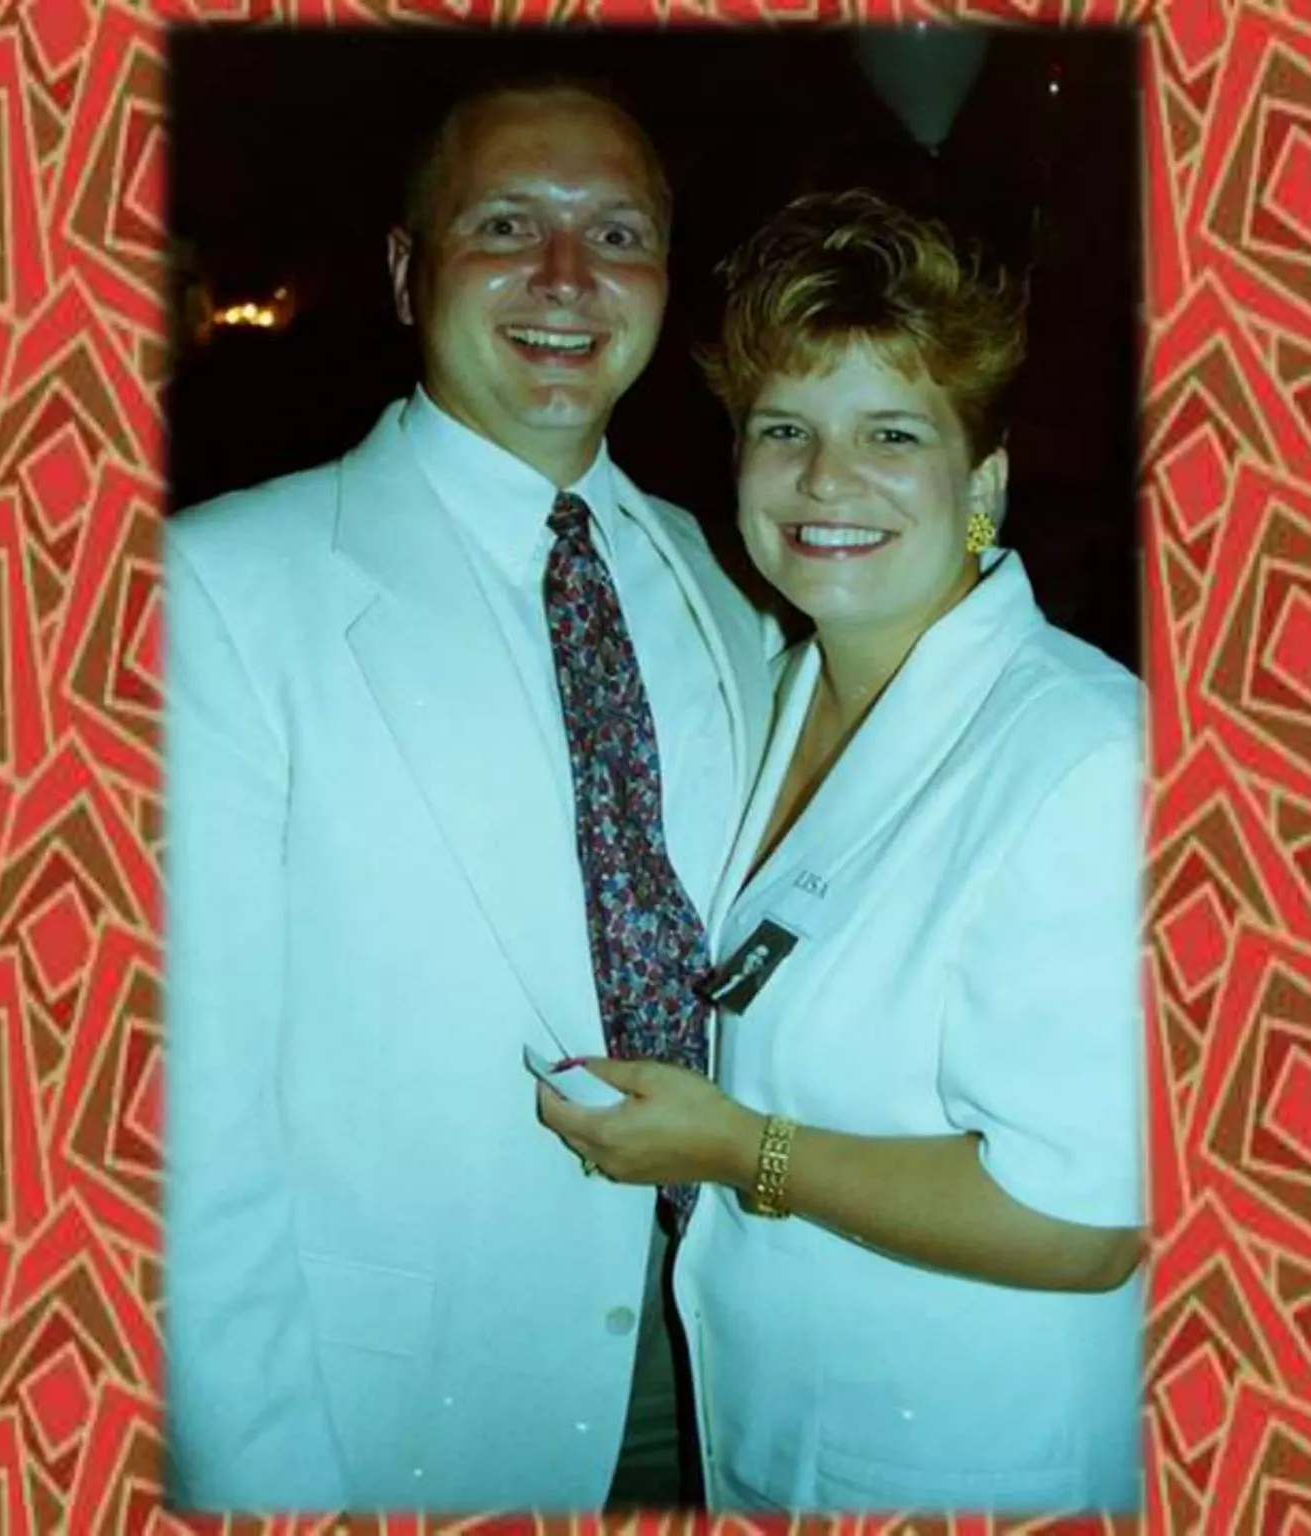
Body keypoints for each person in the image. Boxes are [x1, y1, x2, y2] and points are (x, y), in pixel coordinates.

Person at [163, 77, 779, 1509]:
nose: (566, 277)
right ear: (405, 271)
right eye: (506, 225)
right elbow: (183, 1124)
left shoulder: (725, 578)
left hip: (738, 1364)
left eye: (616, 235)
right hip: (410, 1402)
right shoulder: (220, 592)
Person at [539, 189, 1146, 1512]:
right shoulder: (784, 684)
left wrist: (741, 1151)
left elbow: (1090, 1224)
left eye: (891, 434)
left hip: (973, 1452)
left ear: (982, 483)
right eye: (785, 431)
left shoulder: (1085, 757)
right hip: (782, 1430)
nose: (826, 481)